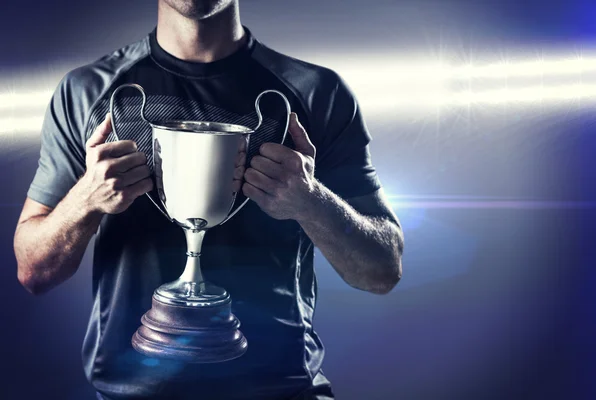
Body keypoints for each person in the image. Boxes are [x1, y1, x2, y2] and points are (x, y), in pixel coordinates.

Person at [13, 0, 404, 399]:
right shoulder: (87, 92)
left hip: (280, 391)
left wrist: (310, 200)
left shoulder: (316, 93)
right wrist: (86, 199)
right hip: (131, 392)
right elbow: (34, 272)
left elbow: (381, 271)